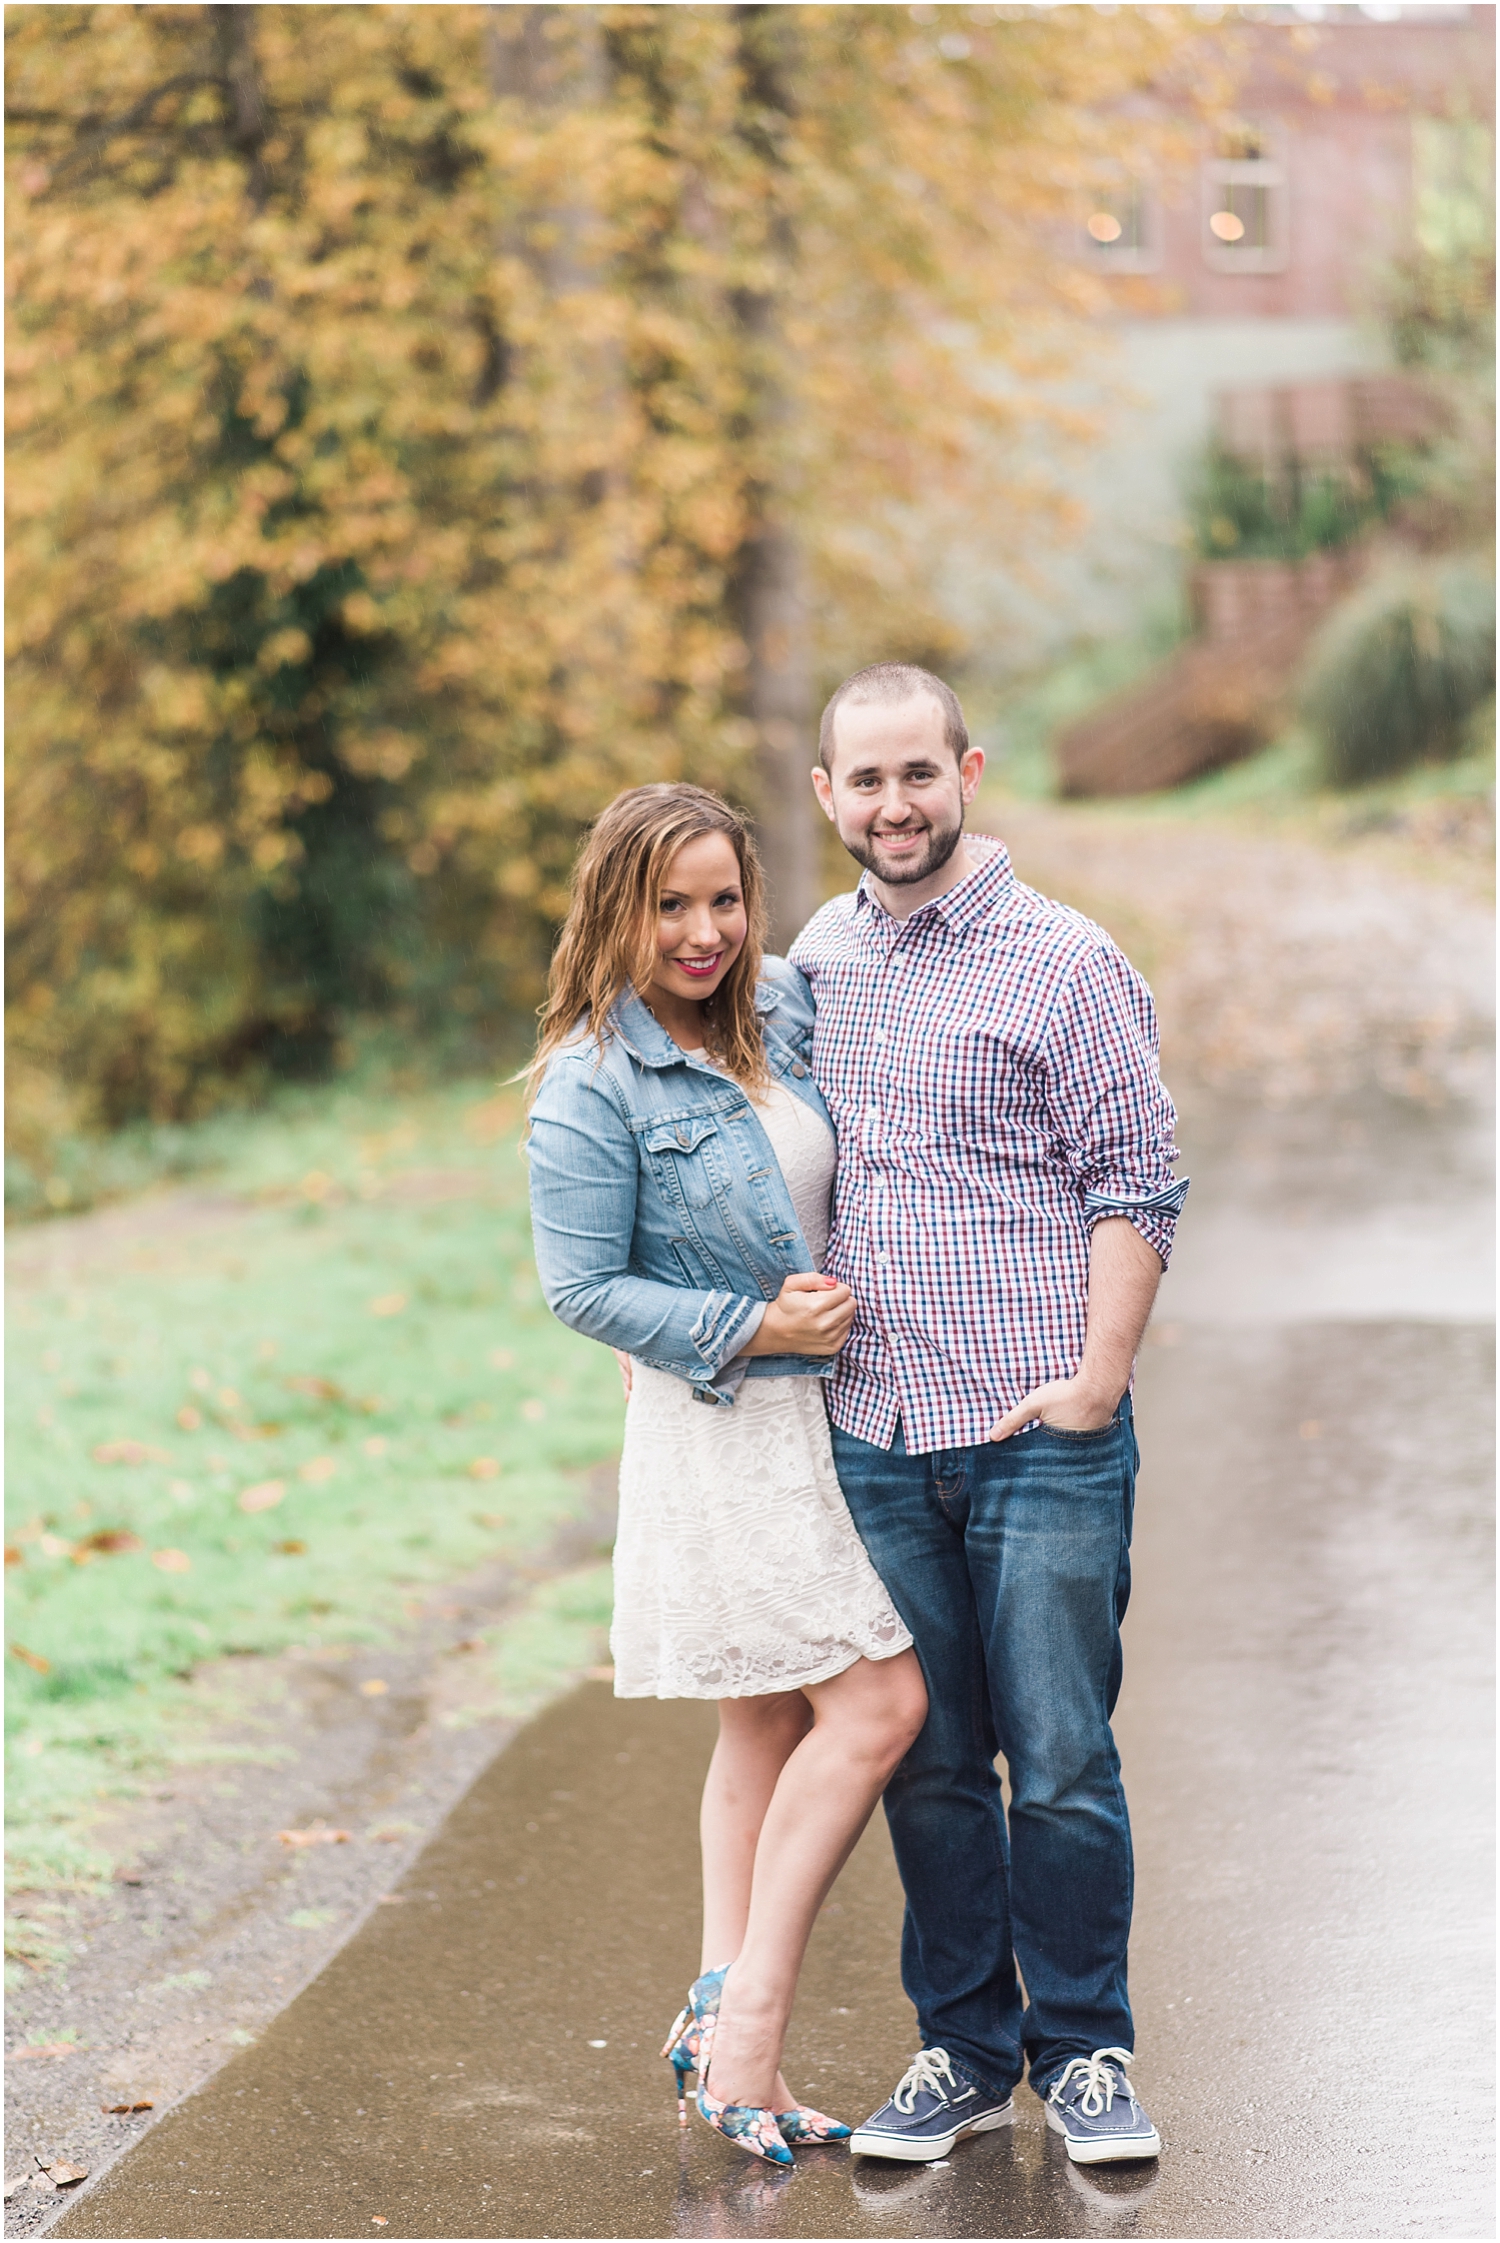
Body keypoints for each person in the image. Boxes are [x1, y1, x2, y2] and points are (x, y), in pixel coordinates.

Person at [789, 662, 1187, 2168]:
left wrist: (1093, 1385)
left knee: (1063, 1753)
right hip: (874, 1436)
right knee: (933, 1760)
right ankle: (961, 2050)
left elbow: (1136, 1181)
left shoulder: (1065, 961)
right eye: (866, 781)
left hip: (1041, 1435)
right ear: (828, 795)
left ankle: (1086, 2054)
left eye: (919, 773)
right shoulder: (816, 962)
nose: (896, 805)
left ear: (969, 771)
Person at [525, 781, 928, 2169]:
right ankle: (753, 2027)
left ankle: (710, 2004)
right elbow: (579, 1287)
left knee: (764, 1722)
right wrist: (751, 1325)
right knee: (879, 1702)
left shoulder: (782, 1007)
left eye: (722, 899)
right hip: (728, 1420)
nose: (703, 933)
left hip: (828, 1411)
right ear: (616, 911)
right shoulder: (591, 1081)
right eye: (671, 906)